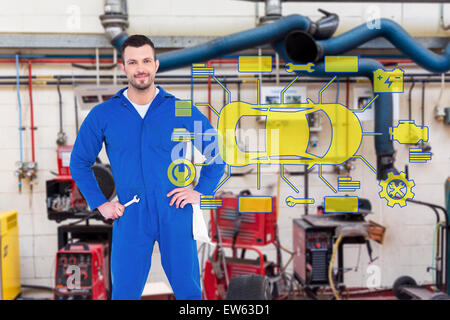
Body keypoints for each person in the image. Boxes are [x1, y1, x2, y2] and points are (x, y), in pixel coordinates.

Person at [70, 35, 225, 300]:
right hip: (130, 214)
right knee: (125, 292)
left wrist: (201, 192)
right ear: (123, 68)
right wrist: (100, 203)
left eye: (145, 61)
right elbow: (79, 163)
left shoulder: (181, 109)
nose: (140, 68)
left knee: (189, 291)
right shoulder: (103, 114)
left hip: (175, 211)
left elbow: (217, 156)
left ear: (155, 65)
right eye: (133, 62)